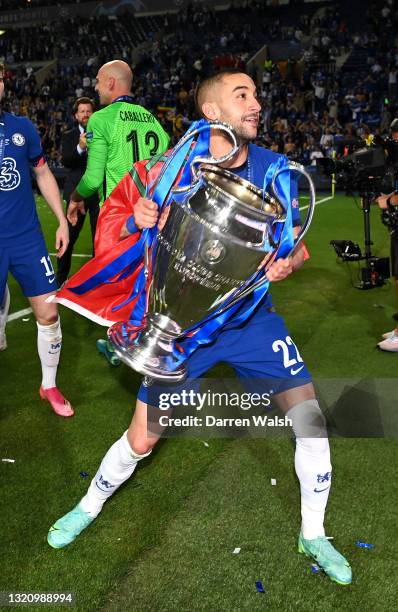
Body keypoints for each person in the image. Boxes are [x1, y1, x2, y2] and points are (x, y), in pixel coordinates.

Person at [47, 70, 352, 585]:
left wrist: (286, 266)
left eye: (255, 94)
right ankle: (89, 505)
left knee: (311, 422)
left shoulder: (276, 170)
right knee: (142, 440)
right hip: (182, 325)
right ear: (212, 112)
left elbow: (296, 247)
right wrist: (136, 218)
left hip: (251, 318)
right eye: (242, 95)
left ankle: (314, 534)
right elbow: (119, 223)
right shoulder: (174, 164)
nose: (256, 103)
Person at [66, 60, 170, 364]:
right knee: (144, 280)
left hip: (120, 216)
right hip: (151, 214)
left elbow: (93, 178)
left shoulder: (101, 120)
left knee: (116, 280)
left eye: (98, 82)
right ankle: (135, 339)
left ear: (111, 83)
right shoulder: (153, 121)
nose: (96, 88)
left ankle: (119, 345)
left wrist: (75, 198)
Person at [0, 63, 73, 417]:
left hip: (27, 239)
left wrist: (61, 219)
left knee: (49, 313)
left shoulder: (21, 127)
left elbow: (42, 172)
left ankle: (49, 385)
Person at [56, 97, 99, 288]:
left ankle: (97, 281)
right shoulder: (69, 135)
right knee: (68, 237)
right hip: (76, 195)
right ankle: (60, 279)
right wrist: (80, 147)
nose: (85, 114)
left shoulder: (102, 134)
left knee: (99, 240)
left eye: (88, 111)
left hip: (98, 194)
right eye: (82, 111)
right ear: (76, 115)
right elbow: (66, 161)